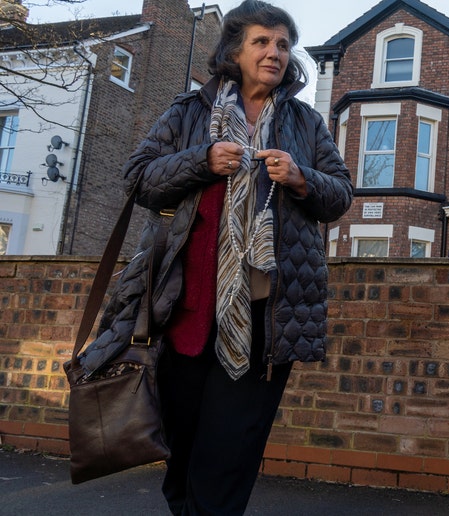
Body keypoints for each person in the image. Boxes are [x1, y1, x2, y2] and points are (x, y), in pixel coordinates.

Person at [97, 0, 353, 513]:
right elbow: (137, 179)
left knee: (228, 457)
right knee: (182, 451)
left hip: (264, 318)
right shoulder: (188, 112)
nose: (274, 53)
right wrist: (200, 160)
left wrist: (302, 178)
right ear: (234, 50)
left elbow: (340, 195)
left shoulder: (304, 122)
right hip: (183, 312)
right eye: (262, 42)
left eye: (283, 44)